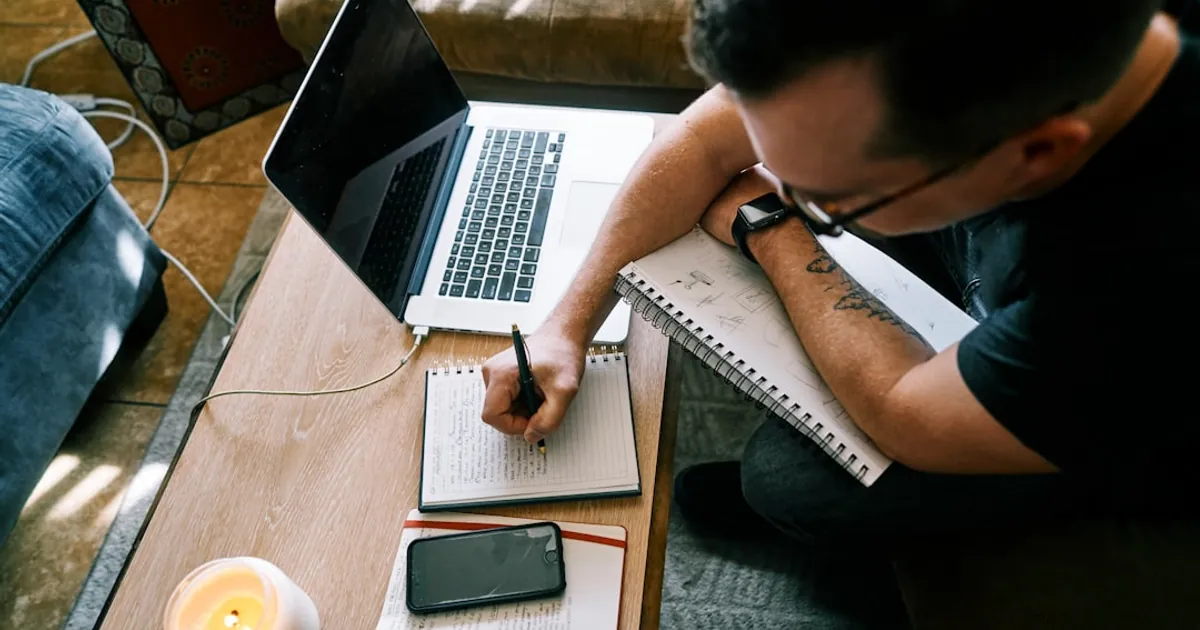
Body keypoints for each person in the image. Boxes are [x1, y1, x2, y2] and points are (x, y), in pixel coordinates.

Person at [479, 0, 1200, 547]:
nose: (788, 189)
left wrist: (771, 225)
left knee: (786, 483)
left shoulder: (1135, 290)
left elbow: (905, 412)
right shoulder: (939, 56)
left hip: (1128, 414)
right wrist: (566, 325)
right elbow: (707, 137)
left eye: (828, 198)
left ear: (1037, 154)